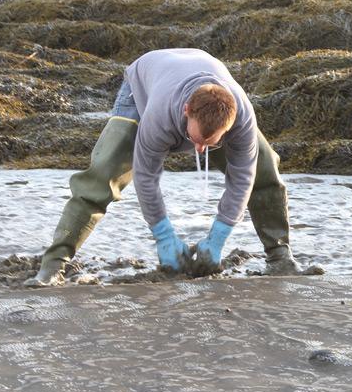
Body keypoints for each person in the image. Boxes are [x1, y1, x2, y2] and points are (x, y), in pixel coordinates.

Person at [27, 48, 300, 286]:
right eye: (196, 140)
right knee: (100, 179)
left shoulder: (242, 119)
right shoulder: (158, 116)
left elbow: (243, 179)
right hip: (143, 87)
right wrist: (163, 234)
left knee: (264, 170)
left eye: (210, 143)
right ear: (186, 111)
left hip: (198, 69)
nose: (201, 150)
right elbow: (146, 177)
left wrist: (220, 234)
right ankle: (52, 267)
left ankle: (280, 257)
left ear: (229, 126)